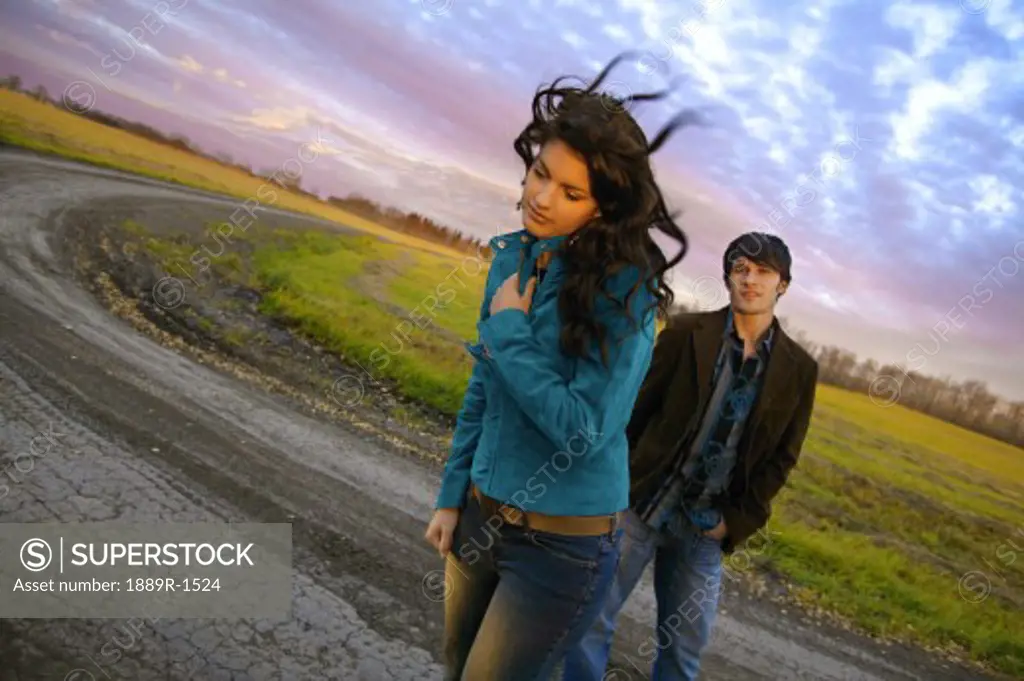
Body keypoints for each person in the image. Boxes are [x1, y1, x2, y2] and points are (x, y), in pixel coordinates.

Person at [423, 52, 701, 681]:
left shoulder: (626, 295)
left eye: (571, 192)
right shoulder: (512, 261)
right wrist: (451, 497)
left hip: (560, 548)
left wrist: (513, 332)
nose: (542, 198)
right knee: (454, 667)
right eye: (540, 174)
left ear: (603, 206)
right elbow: (484, 386)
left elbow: (582, 432)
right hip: (478, 516)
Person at [561, 232, 820, 680]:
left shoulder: (800, 370)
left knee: (684, 651)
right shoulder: (685, 333)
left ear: (783, 284)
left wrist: (736, 521)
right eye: (740, 269)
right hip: (640, 506)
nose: (750, 280)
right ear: (727, 278)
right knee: (590, 622)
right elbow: (636, 411)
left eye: (763, 272)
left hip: (705, 529)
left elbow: (782, 457)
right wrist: (617, 483)